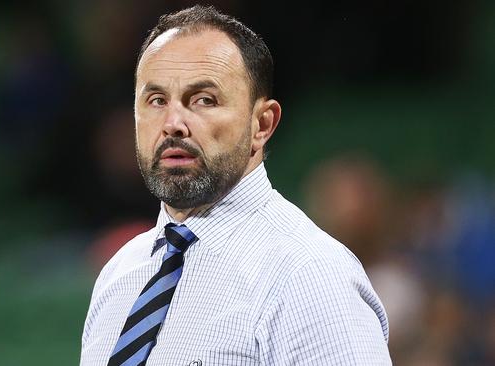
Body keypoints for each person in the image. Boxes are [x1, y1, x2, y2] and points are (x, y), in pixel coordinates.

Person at [80, 5, 391, 365]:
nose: (173, 123)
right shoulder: (118, 276)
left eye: (204, 100)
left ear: (261, 124)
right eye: (156, 100)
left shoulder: (310, 275)